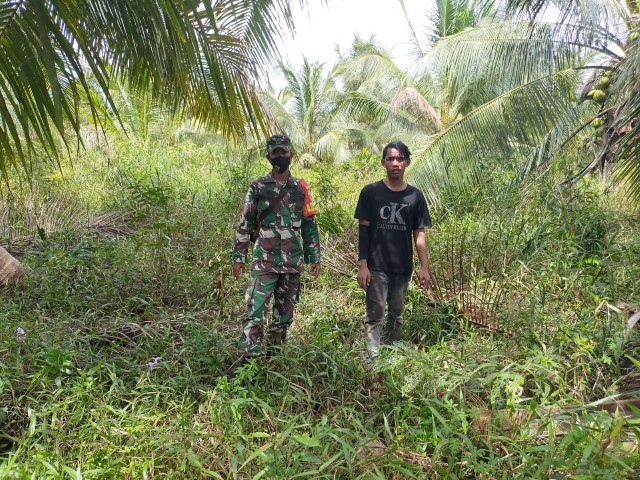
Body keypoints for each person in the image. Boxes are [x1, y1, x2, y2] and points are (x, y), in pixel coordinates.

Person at [231, 134, 321, 366]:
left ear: (291, 153)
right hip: (264, 262)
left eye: (284, 152)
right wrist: (239, 257)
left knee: (283, 319)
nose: (280, 156)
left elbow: (309, 224)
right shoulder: (258, 187)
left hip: (292, 263)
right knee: (255, 315)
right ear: (268, 156)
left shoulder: (300, 188)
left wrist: (314, 257)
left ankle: (273, 365)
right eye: (275, 152)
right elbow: (245, 223)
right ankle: (246, 368)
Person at [354, 140, 432, 359]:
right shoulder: (371, 192)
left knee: (396, 313)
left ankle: (390, 354)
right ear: (383, 163)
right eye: (390, 159)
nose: (395, 163)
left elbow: (419, 233)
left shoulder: (415, 196)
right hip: (376, 266)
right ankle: (373, 360)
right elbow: (363, 231)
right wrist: (362, 265)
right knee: (375, 315)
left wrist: (424, 267)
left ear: (407, 162)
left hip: (403, 267)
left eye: (399, 159)